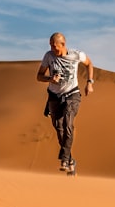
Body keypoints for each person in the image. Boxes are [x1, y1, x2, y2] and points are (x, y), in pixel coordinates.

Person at [36, 32, 94, 174]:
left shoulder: (76, 55)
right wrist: (50, 79)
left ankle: (65, 159)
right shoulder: (48, 56)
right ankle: (70, 159)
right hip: (54, 96)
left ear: (63, 44)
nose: (51, 48)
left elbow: (89, 64)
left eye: (54, 46)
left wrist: (89, 82)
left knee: (68, 124)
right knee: (59, 128)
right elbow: (39, 76)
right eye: (50, 45)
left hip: (72, 94)